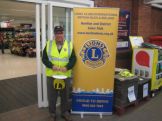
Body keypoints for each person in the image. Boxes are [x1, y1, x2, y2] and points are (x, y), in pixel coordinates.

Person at [42, 26, 76, 121]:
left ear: (63, 33)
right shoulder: (49, 44)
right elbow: (44, 58)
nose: (59, 35)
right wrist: (51, 66)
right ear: (54, 34)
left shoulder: (69, 45)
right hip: (51, 75)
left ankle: (64, 112)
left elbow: (73, 59)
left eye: (61, 33)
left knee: (64, 96)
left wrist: (67, 67)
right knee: (52, 96)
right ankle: (52, 114)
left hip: (65, 76)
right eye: (57, 33)